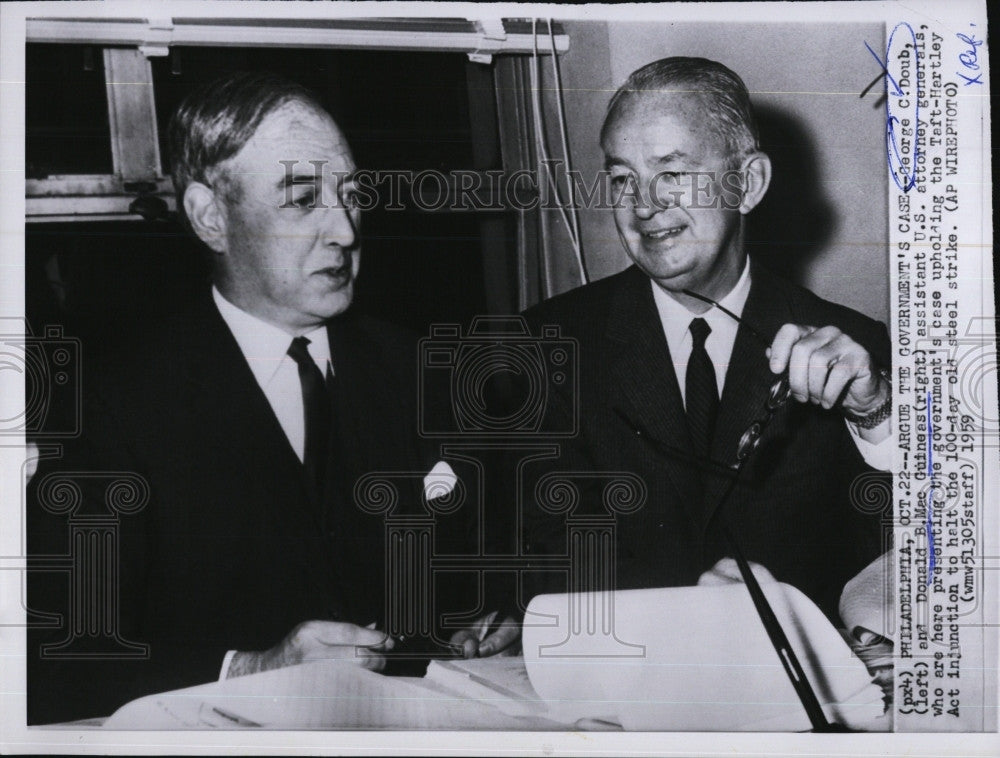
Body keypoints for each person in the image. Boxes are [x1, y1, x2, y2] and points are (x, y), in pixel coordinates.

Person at [26, 71, 446, 723]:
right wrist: (248, 669)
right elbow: (58, 654)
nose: (344, 230)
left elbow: (462, 572)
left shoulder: (417, 368)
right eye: (303, 200)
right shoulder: (114, 403)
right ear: (210, 217)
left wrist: (476, 624)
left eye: (352, 195)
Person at [500, 57, 893, 645]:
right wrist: (685, 607)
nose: (643, 206)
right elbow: (535, 558)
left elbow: (908, 552)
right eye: (622, 179)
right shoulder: (547, 345)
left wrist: (876, 414)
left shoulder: (852, 345)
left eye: (672, 172)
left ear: (749, 183)